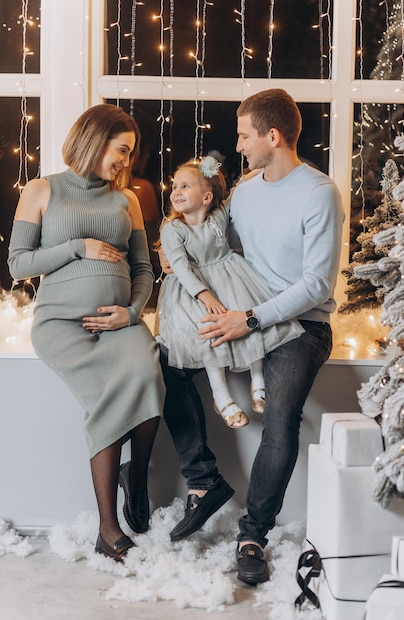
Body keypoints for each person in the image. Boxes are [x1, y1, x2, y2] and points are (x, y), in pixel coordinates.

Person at [159, 88, 344, 585]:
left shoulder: (319, 193)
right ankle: (204, 481)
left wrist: (250, 319)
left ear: (273, 136)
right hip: (243, 311)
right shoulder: (242, 192)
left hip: (300, 325)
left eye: (244, 135)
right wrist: (177, 254)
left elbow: (317, 285)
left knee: (280, 419)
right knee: (169, 364)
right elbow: (222, 250)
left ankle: (252, 536)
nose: (237, 145)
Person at [8, 104, 166, 563]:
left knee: (149, 374)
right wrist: (77, 247)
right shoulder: (42, 190)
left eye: (130, 153)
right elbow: (18, 263)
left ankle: (134, 480)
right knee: (107, 398)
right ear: (94, 139)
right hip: (61, 325)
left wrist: (132, 313)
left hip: (119, 322)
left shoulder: (127, 199)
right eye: (121, 150)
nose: (125, 161)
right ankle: (107, 526)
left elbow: (143, 267)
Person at [156, 156, 302, 428]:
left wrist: (259, 166)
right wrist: (206, 296)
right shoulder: (173, 230)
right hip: (192, 290)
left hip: (230, 276)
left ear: (207, 196)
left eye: (185, 186)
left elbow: (237, 190)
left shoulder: (218, 216)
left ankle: (258, 381)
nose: (176, 192)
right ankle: (221, 395)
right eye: (175, 186)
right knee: (209, 331)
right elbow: (182, 268)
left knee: (249, 314)